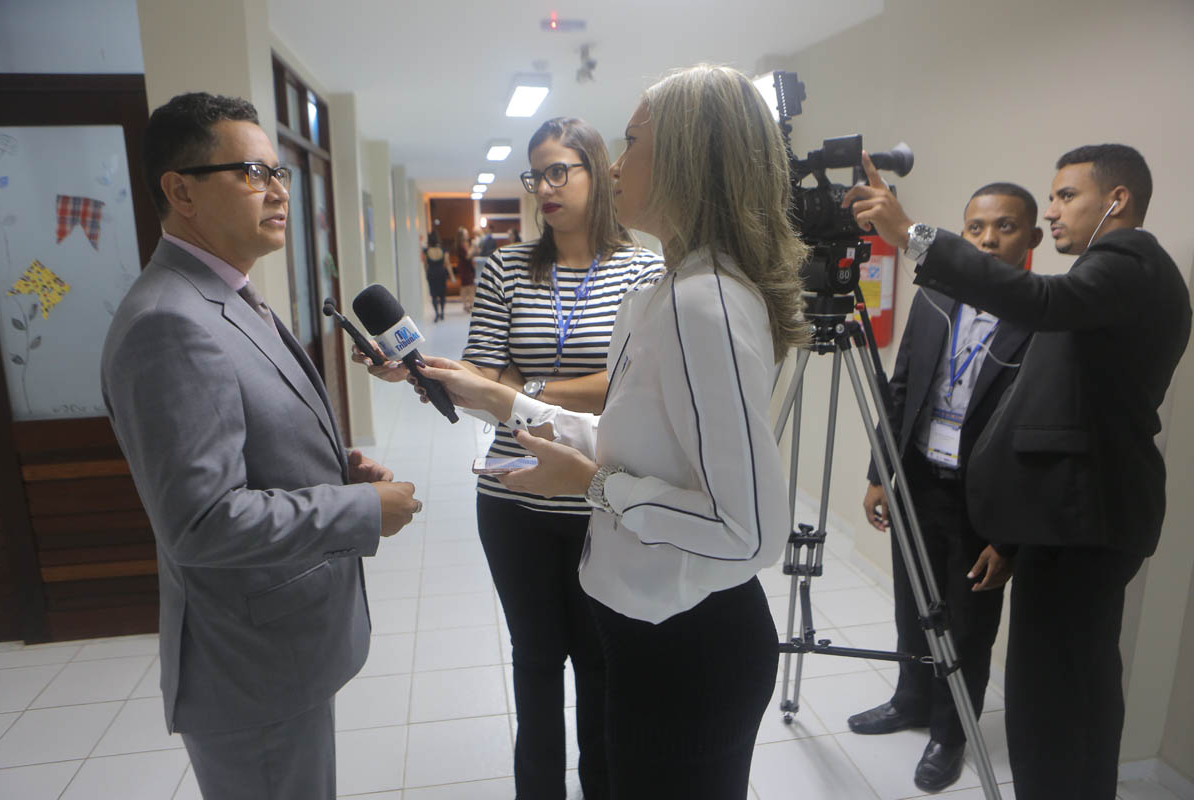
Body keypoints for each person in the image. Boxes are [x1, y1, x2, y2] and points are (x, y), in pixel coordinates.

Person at [409, 65, 808, 799]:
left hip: (690, 641)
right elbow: (629, 438)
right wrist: (497, 400)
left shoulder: (702, 303)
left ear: (689, 158)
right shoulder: (666, 291)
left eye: (631, 144)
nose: (617, 166)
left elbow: (749, 531)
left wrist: (596, 487)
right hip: (649, 629)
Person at [843, 144, 1191, 800]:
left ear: (1116, 200)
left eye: (1066, 196)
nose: (1053, 211)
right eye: (1053, 197)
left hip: (1084, 519)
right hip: (1064, 516)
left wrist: (912, 235)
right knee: (1064, 691)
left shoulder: (1128, 264)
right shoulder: (1106, 276)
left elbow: (1038, 301)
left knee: (1054, 697)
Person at [100, 92, 421, 800]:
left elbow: (244, 439)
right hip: (250, 667)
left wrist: (336, 471)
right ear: (181, 191)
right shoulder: (169, 322)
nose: (278, 190)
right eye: (252, 173)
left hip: (282, 647)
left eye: (279, 172)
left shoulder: (226, 293)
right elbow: (201, 521)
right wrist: (362, 510)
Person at [356, 116, 663, 799]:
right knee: (535, 663)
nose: (544, 188)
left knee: (602, 666)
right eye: (535, 175)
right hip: (513, 497)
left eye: (559, 171)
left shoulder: (643, 269)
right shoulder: (507, 267)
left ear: (596, 172)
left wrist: (521, 388)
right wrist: (422, 371)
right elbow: (480, 374)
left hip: (600, 494)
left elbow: (633, 381)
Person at [847, 183, 1042, 792]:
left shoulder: (1042, 318)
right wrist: (879, 475)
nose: (987, 240)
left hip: (982, 500)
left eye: (1005, 227)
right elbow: (901, 390)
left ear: (1032, 238)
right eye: (975, 228)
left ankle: (951, 732)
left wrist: (1010, 540)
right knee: (912, 601)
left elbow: (1034, 439)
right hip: (918, 481)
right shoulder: (934, 298)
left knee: (968, 621)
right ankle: (910, 699)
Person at [423, 231, 452, 321]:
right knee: (442, 294)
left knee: (434, 295)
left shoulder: (426, 251)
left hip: (431, 273)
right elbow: (447, 263)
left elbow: (425, 264)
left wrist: (426, 274)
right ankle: (442, 312)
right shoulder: (443, 250)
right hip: (441, 273)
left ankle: (436, 314)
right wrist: (452, 276)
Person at [454, 226, 476, 311]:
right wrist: (473, 247)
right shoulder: (461, 246)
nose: (467, 234)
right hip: (465, 268)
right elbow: (467, 256)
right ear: (462, 236)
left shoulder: (465, 244)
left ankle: (469, 303)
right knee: (467, 286)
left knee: (469, 286)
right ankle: (467, 304)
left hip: (468, 267)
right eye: (466, 233)